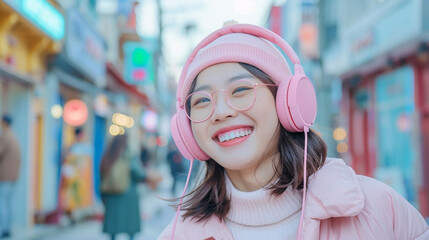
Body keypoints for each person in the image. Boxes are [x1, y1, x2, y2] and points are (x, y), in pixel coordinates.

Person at [158, 23, 429, 240]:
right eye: (202, 101)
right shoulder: (178, 236)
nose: (220, 112)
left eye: (240, 90)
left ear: (288, 103)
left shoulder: (380, 209)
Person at [100, 134, 162, 240]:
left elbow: (101, 174)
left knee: (113, 225)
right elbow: (136, 172)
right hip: (128, 194)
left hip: (110, 194)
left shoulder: (108, 154)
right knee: (130, 225)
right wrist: (148, 177)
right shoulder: (127, 153)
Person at [0, 115, 20, 239]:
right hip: (12, 177)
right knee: (7, 203)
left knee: (3, 203)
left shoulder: (5, 137)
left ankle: (5, 229)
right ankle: (8, 227)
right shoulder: (14, 136)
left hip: (5, 177)